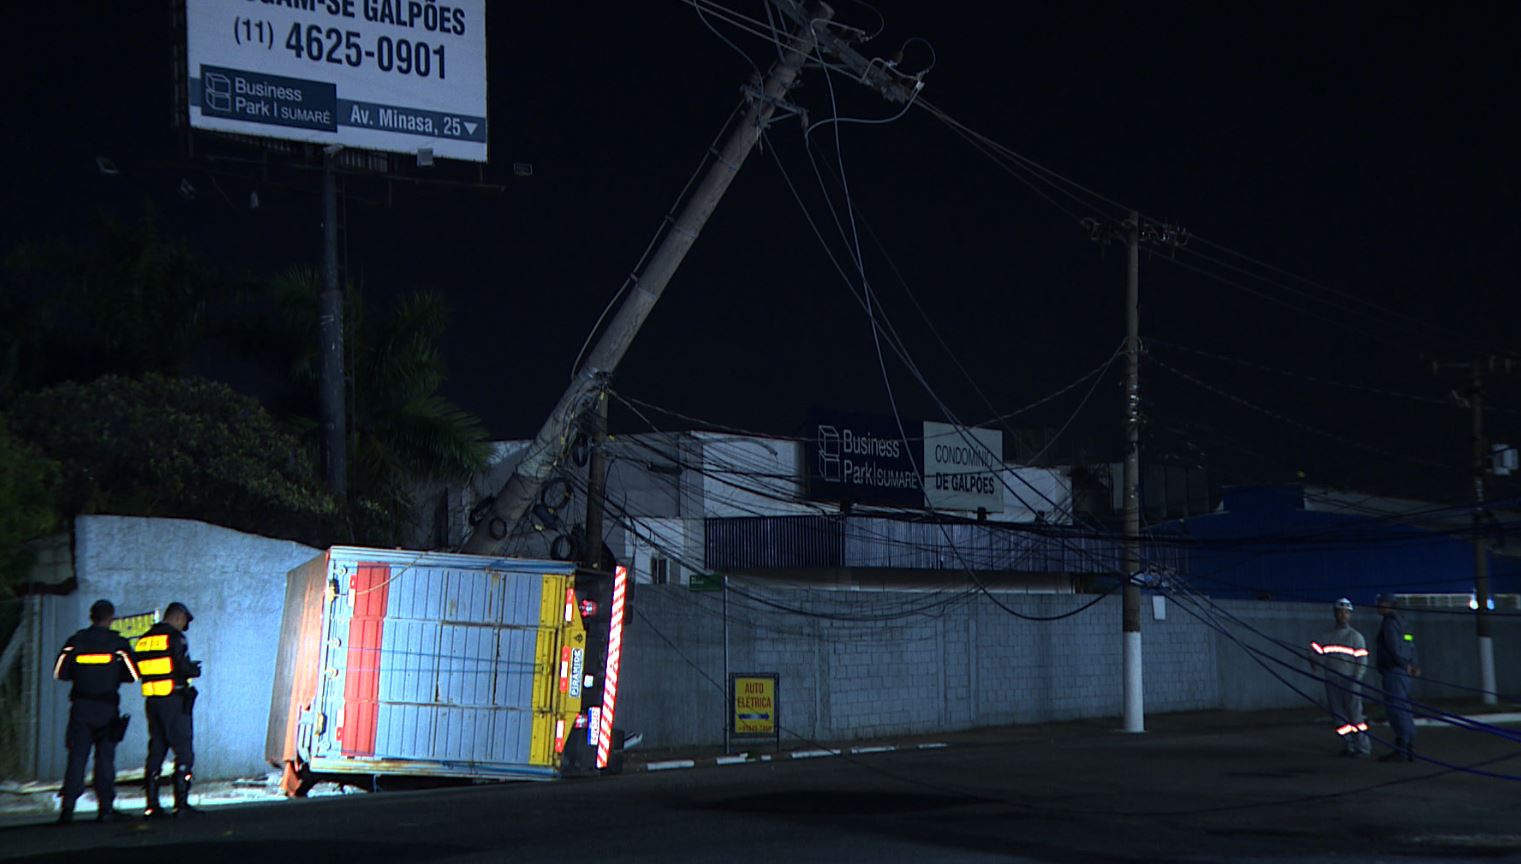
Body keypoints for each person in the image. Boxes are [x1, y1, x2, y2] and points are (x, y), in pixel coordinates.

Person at [52, 599, 140, 824]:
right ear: (110, 618)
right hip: (107, 709)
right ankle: (106, 809)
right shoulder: (118, 644)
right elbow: (133, 675)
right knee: (105, 759)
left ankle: (67, 809)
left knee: (77, 758)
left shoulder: (75, 641)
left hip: (81, 708)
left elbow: (60, 673)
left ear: (91, 616)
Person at [134, 601, 202, 817]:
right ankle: (180, 804)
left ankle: (152, 804)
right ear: (178, 617)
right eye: (184, 621)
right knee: (183, 751)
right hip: (174, 699)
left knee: (156, 750)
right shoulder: (175, 638)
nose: (184, 626)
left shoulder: (144, 639)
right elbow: (181, 666)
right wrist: (194, 670)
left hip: (153, 702)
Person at [1309, 598, 1370, 757]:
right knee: (1338, 715)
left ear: (1350, 615)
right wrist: (1314, 660)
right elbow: (1314, 650)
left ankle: (1363, 748)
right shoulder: (1327, 636)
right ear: (1335, 614)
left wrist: (1357, 678)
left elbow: (1362, 660)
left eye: (1345, 612)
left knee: (1355, 714)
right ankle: (1348, 745)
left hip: (1350, 679)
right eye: (1339, 612)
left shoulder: (1356, 637)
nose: (1342, 615)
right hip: (1332, 679)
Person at [1375, 593, 1419, 762]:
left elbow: (1393, 647)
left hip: (1394, 671)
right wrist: (1412, 664)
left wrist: (1403, 664)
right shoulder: (1403, 621)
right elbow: (1410, 643)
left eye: (1380, 603)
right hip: (1404, 672)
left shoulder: (1389, 622)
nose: (1378, 606)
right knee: (1404, 707)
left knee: (1396, 709)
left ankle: (1402, 747)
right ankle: (1408, 746)